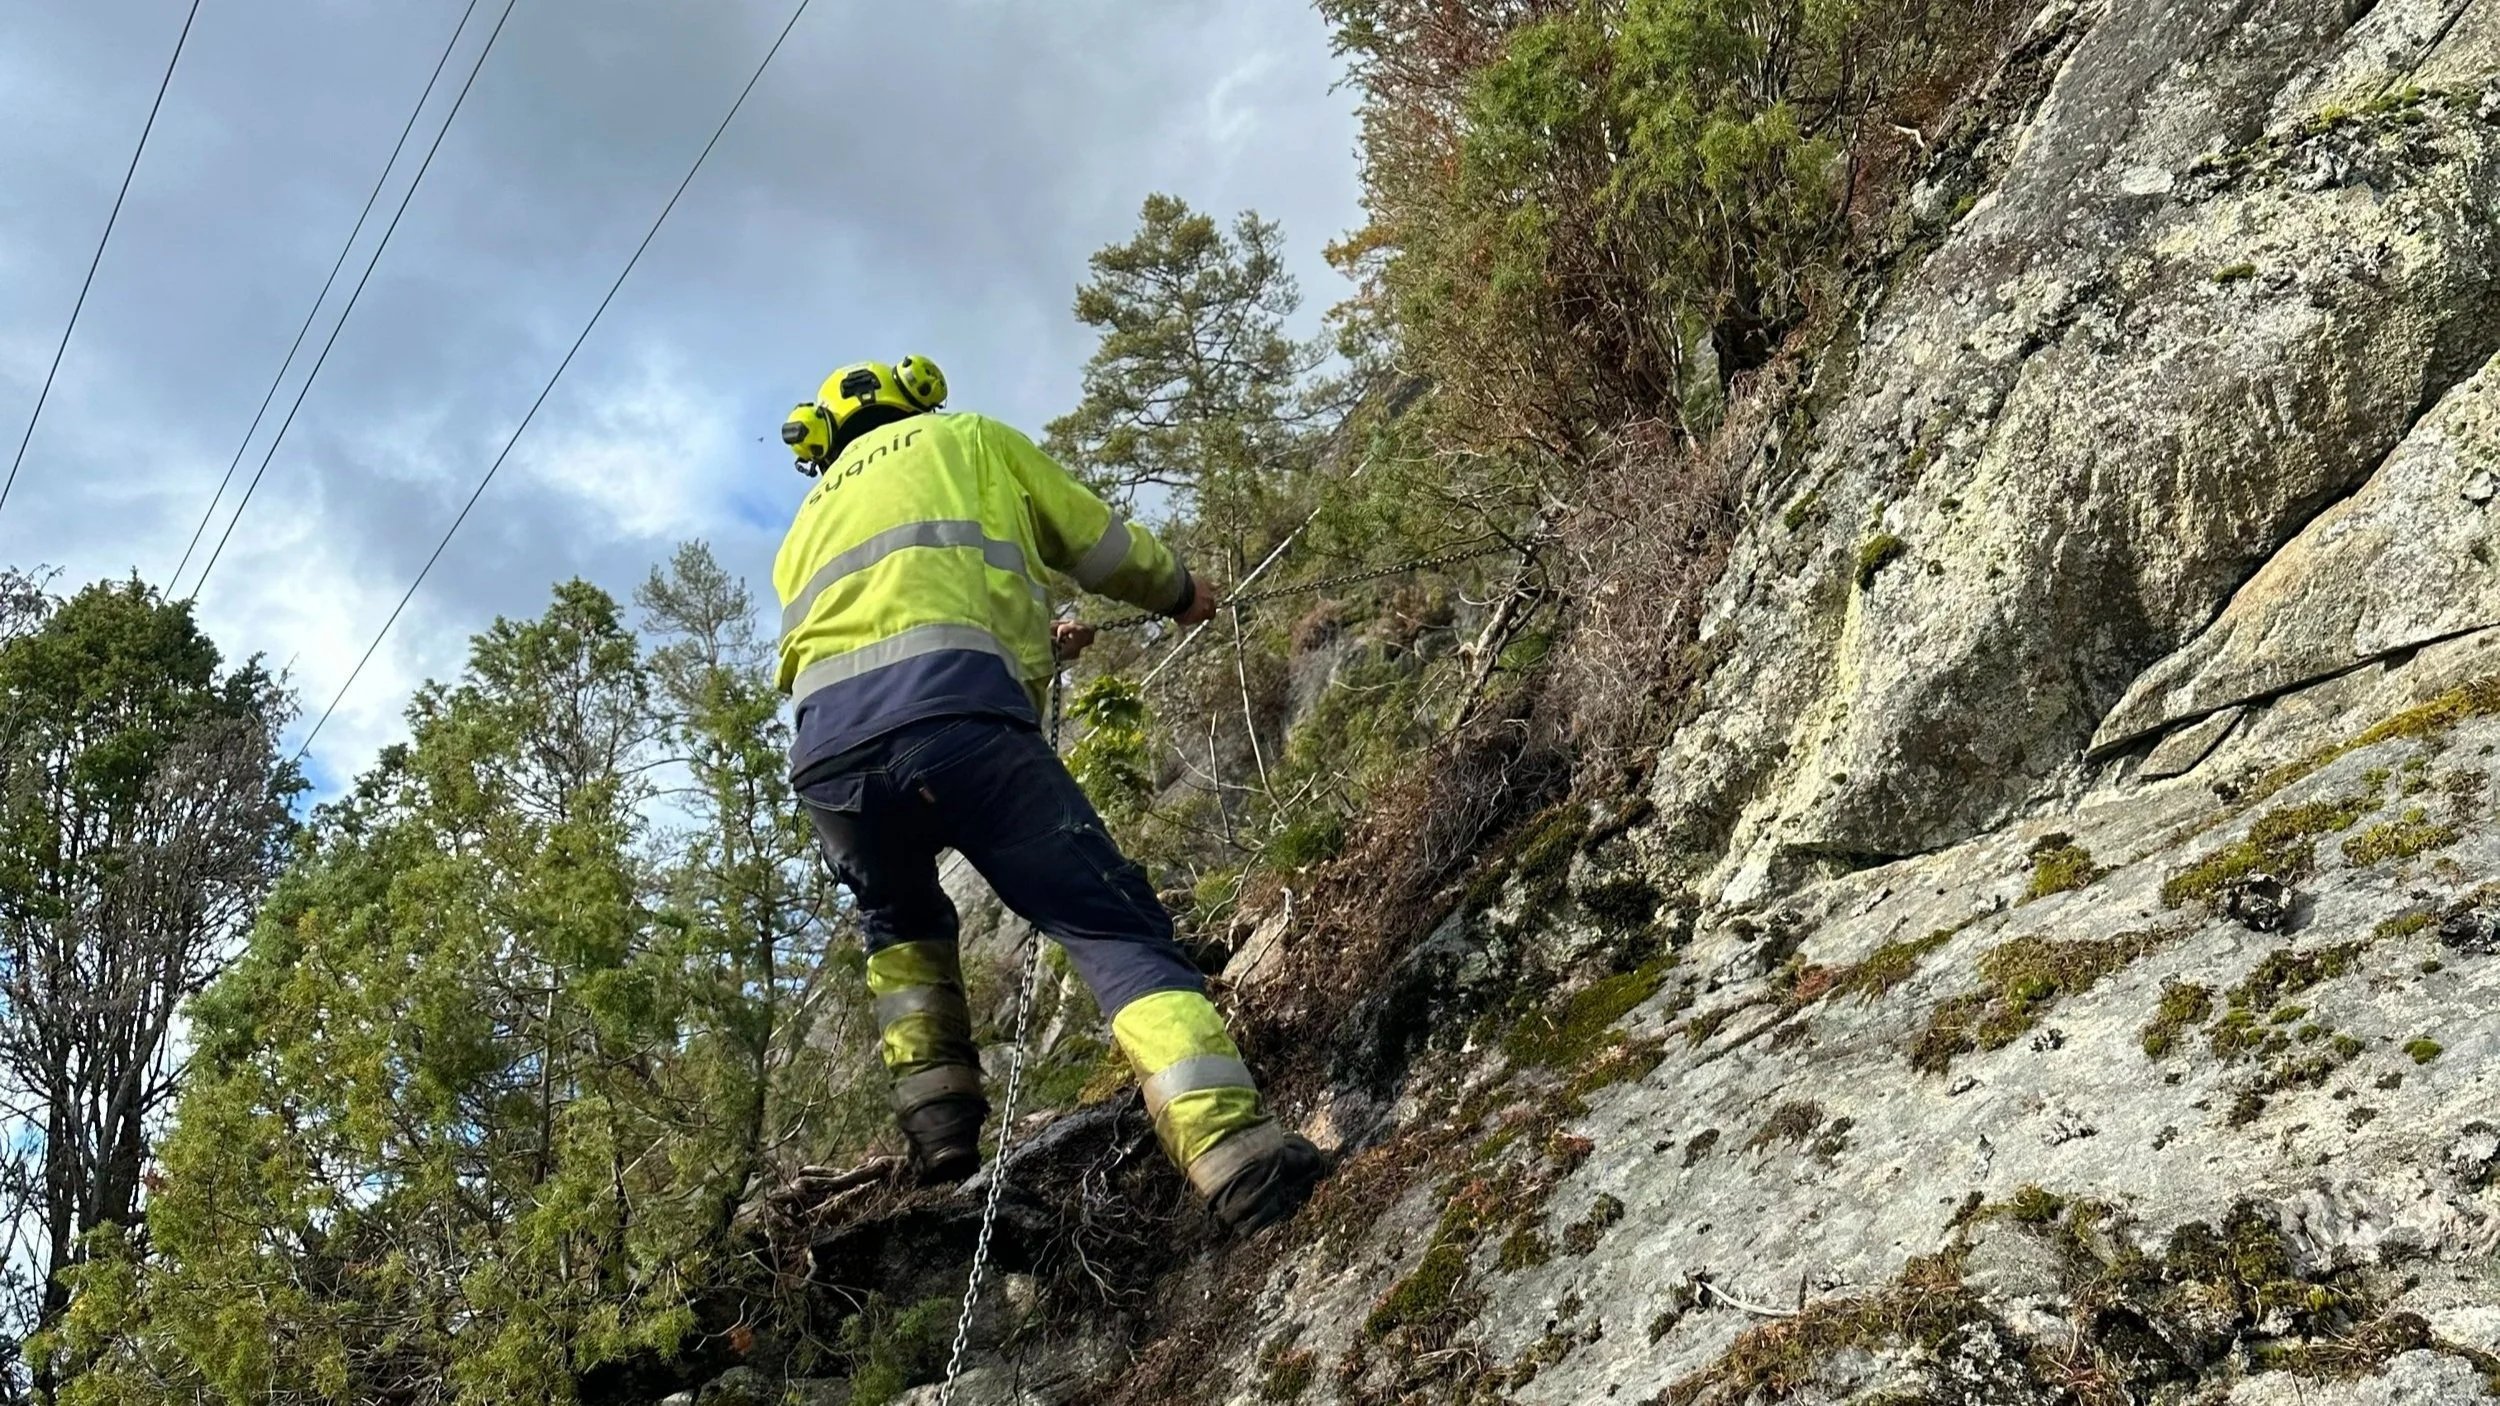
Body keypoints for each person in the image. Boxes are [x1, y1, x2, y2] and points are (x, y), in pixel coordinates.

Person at [771, 355, 1327, 1235]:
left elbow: (898, 625)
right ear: (916, 394)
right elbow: (1095, 541)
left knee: (901, 928)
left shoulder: (807, 519)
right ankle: (1236, 1157)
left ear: (825, 439)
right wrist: (1181, 592)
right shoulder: (969, 439)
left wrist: (1037, 644)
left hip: (829, 766)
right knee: (1106, 923)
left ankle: (940, 1138)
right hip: (961, 724)